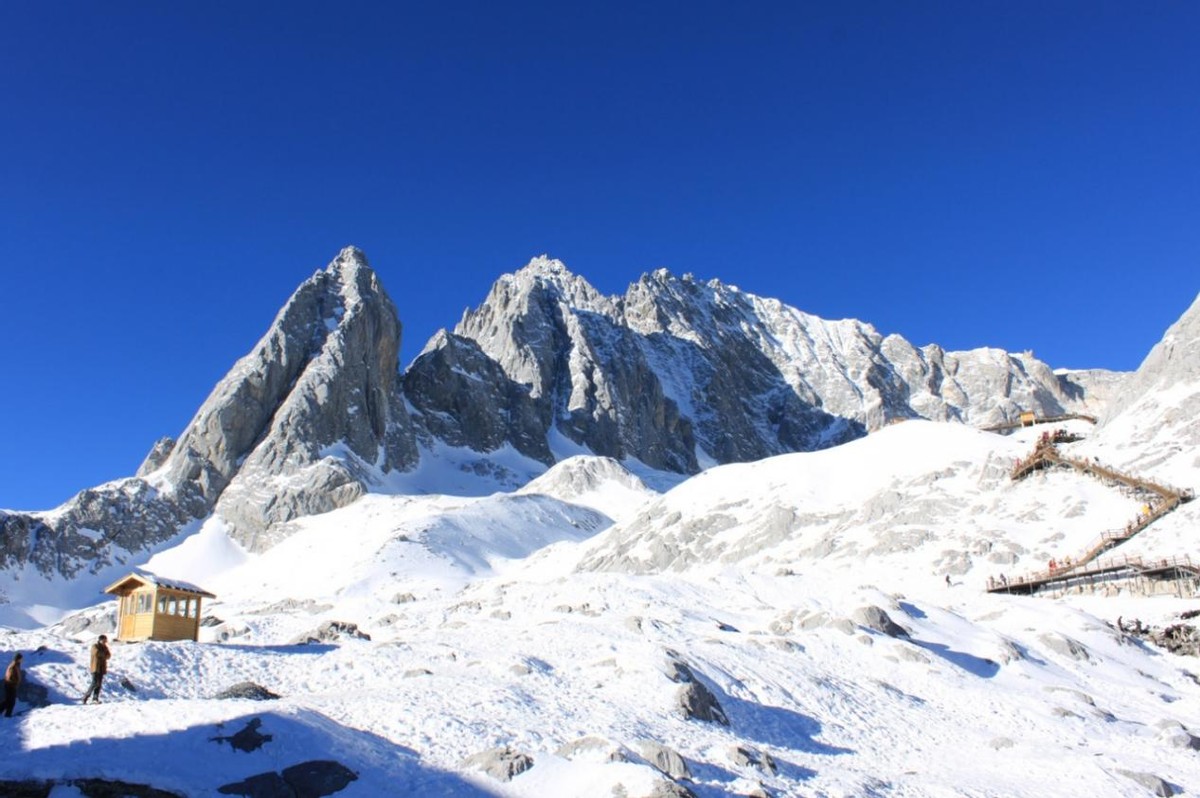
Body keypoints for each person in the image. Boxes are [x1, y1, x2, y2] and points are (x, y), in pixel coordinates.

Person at [83, 635, 110, 704]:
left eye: (105, 641)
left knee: (99, 684)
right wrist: (103, 654)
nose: (105, 642)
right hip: (95, 667)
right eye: (104, 641)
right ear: (100, 640)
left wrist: (103, 654)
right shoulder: (95, 646)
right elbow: (97, 653)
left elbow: (108, 655)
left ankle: (95, 698)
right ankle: (86, 696)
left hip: (101, 668)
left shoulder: (105, 647)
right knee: (94, 682)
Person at [3, 653, 21, 718]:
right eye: (21, 659)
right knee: (11, 701)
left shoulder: (14, 665)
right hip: (10, 685)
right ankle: (8, 715)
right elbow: (11, 677)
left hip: (9, 685)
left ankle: (6, 714)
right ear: (18, 659)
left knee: (8, 700)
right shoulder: (14, 666)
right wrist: (15, 683)